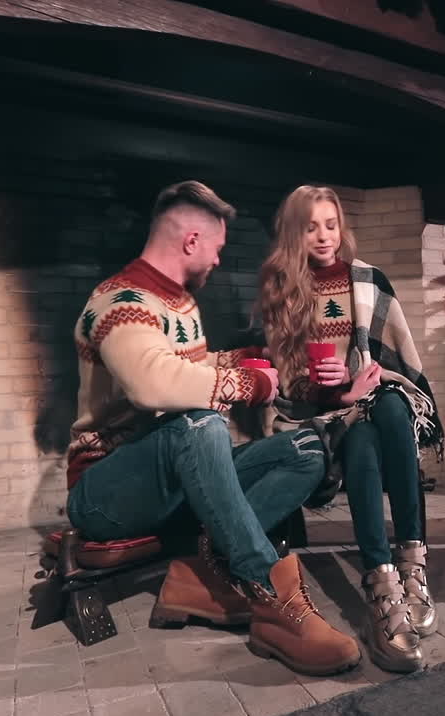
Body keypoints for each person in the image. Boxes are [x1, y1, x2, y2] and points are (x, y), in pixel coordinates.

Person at [65, 180, 360, 676]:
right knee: (200, 424)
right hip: (108, 491)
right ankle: (269, 595)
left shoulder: (180, 303)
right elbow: (154, 384)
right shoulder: (119, 301)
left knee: (308, 447)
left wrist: (240, 360)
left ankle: (199, 577)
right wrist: (247, 384)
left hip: (177, 483)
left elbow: (183, 365)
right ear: (191, 241)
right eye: (218, 249)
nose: (220, 261)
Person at [257, 185, 445, 674]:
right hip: (325, 412)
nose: (324, 236)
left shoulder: (370, 281)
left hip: (378, 398)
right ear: (295, 233)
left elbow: (396, 359)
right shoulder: (283, 289)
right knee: (359, 434)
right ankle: (390, 579)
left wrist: (362, 380)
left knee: (390, 409)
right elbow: (290, 381)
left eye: (331, 224)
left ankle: (404, 569)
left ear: (342, 227)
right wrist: (339, 393)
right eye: (311, 226)